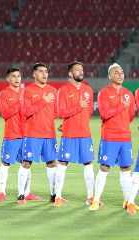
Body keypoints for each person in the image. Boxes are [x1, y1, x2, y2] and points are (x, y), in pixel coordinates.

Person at [89, 63, 136, 213]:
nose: (120, 75)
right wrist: (121, 106)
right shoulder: (104, 93)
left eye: (122, 72)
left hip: (125, 137)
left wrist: (122, 122)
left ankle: (127, 201)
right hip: (109, 136)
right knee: (104, 168)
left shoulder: (129, 93)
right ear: (110, 76)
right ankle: (96, 200)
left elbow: (131, 115)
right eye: (116, 72)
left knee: (126, 168)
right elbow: (105, 113)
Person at [55, 61, 95, 206]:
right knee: (63, 163)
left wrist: (78, 119)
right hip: (69, 135)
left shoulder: (88, 90)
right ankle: (58, 197)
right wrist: (78, 107)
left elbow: (89, 111)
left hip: (85, 134)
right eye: (77, 70)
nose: (80, 71)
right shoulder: (63, 90)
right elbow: (61, 112)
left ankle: (90, 197)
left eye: (81, 69)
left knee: (89, 164)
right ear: (70, 74)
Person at [20, 63, 58, 204]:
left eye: (46, 71)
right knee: (26, 163)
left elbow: (55, 112)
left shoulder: (53, 91)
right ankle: (21, 195)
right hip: (33, 134)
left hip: (49, 134)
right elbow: (26, 111)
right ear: (34, 74)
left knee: (52, 163)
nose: (45, 74)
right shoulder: (28, 91)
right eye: (41, 71)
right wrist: (43, 101)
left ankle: (54, 195)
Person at [0, 67, 26, 202]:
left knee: (26, 163)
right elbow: (5, 113)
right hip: (11, 135)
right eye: (13, 76)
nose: (17, 79)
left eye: (19, 76)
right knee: (5, 163)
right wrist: (19, 104)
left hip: (26, 134)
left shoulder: (25, 93)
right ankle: (2, 192)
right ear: (8, 79)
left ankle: (26, 192)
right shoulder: (4, 94)